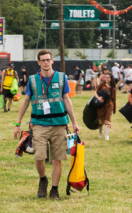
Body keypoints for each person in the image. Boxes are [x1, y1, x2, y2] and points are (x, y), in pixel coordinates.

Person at [13, 49, 80, 199]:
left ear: (52, 61)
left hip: (59, 123)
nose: (45, 62)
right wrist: (17, 123)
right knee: (39, 156)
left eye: (48, 59)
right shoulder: (32, 80)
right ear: (38, 62)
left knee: (57, 158)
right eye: (42, 60)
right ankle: (43, 179)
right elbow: (25, 102)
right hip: (39, 124)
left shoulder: (61, 78)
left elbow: (67, 101)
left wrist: (75, 122)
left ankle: (54, 190)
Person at [94, 73, 116, 140]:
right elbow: (95, 92)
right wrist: (98, 98)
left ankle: (107, 135)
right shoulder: (101, 85)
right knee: (100, 121)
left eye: (108, 77)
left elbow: (114, 99)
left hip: (109, 105)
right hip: (101, 105)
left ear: (111, 79)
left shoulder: (113, 88)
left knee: (107, 120)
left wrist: (114, 108)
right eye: (105, 77)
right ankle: (100, 133)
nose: (106, 79)